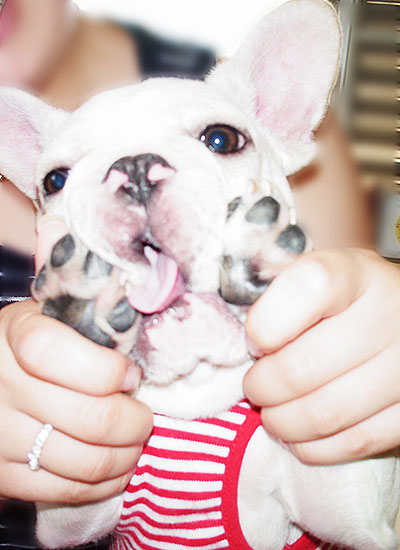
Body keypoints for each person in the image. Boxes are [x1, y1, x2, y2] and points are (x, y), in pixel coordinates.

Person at [0, 0, 398, 547]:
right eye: (59, 179)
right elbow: (64, 531)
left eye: (219, 140)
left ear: (280, 130)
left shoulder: (299, 385)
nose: (136, 181)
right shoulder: (89, 401)